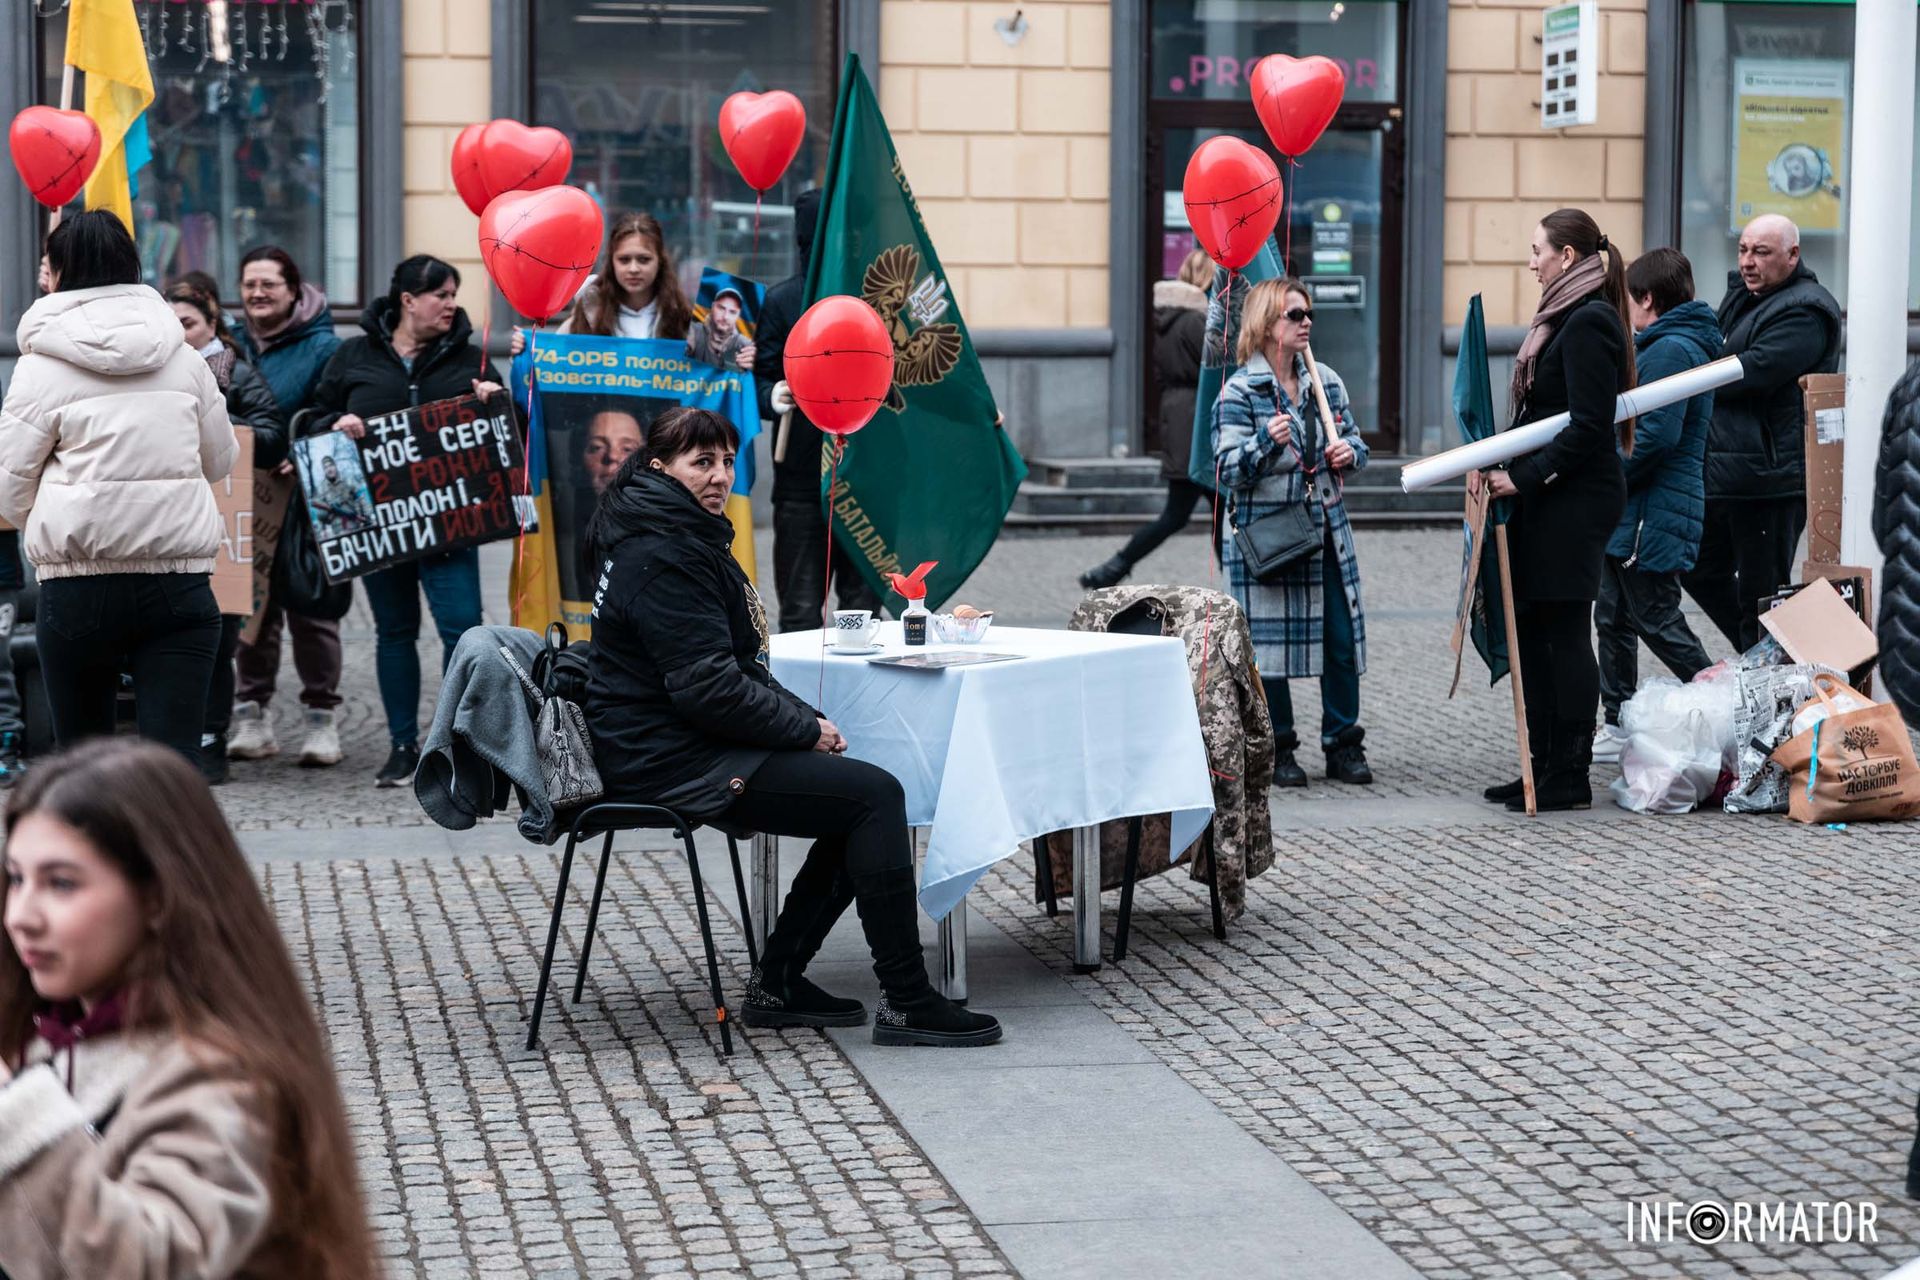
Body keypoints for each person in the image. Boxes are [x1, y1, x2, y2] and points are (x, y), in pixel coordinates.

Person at [584, 407, 1001, 1047]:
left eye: (728, 462)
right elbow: (707, 687)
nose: (720, 476)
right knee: (874, 798)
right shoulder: (662, 553)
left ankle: (779, 983)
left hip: (678, 739)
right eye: (702, 462)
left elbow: (738, 667)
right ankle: (906, 999)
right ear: (660, 467)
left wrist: (806, 720)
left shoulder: (678, 534)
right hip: (665, 757)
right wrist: (803, 731)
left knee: (860, 800)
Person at [0, 738, 376, 1278]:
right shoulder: (47, 1042)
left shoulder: (223, 1077)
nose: (21, 915)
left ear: (158, 897)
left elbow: (158, 1264)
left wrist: (16, 1113)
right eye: (16, 878)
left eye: (61, 883)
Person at [0, 210, 235, 769]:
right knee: (174, 770)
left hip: (78, 582)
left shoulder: (39, 368)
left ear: (60, 271)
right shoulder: (184, 357)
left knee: (83, 768)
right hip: (178, 580)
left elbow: (9, 486)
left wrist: (62, 514)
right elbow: (221, 460)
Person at [309, 255, 503, 788]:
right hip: (382, 526)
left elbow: (510, 435)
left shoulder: (471, 359)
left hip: (452, 525)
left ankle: (462, 745)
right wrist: (337, 422)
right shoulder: (354, 356)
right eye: (441, 294)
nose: (451, 304)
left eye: (454, 294)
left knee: (463, 632)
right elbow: (314, 418)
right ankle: (402, 746)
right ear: (408, 300)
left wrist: (496, 403)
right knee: (394, 633)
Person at [1475, 209, 1634, 812]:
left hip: (1574, 500)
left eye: (1537, 250)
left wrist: (1522, 477)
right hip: (1552, 497)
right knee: (1537, 631)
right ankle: (1539, 765)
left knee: (1563, 632)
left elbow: (1590, 425)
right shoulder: (1565, 316)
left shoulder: (1589, 320)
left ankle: (1569, 773)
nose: (1531, 262)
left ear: (1567, 257)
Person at [1213, 277, 1372, 789]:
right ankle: (1279, 747)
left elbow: (1356, 443)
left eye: (1309, 315)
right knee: (1270, 646)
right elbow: (1227, 468)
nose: (1306, 324)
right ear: (1266, 324)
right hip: (1270, 534)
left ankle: (1343, 743)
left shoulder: (1325, 381)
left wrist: (1349, 453)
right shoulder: (1240, 391)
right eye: (1295, 315)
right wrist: (1264, 441)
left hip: (1324, 529)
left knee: (1340, 640)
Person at [1682, 214, 1841, 652]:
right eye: (1743, 250)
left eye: (1761, 252)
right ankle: (1764, 655)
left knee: (1762, 590)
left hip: (1771, 478)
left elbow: (1755, 371)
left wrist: (1692, 377)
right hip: (1730, 469)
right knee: (1696, 564)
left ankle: (1772, 666)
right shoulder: (1746, 297)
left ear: (1792, 255)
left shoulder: (1807, 309)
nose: (1747, 261)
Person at [1591, 249, 1720, 762]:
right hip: (1639, 509)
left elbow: (1655, 437)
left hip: (1652, 510)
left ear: (1646, 299)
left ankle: (1728, 707)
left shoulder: (1670, 350)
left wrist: (1605, 478)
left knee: (1656, 618)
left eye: (1627, 298)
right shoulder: (1666, 343)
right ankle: (1618, 722)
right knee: (1614, 617)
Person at [166, 280, 291, 785]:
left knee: (216, 644)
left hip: (227, 532)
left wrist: (218, 420)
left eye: (188, 324)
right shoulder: (156, 371)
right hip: (173, 526)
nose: (179, 334)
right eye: (170, 325)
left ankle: (211, 741)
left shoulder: (236, 371)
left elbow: (273, 432)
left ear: (212, 325)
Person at [229, 245, 347, 768]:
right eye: (249, 284)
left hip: (307, 498)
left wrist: (301, 454)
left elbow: (335, 413)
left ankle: (322, 717)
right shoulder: (229, 343)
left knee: (312, 608)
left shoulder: (325, 348)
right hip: (246, 493)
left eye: (268, 284)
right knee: (249, 606)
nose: (257, 294)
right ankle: (251, 714)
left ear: (293, 291)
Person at [757, 189, 883, 632]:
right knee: (799, 611)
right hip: (801, 480)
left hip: (866, 481)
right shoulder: (782, 301)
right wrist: (772, 395)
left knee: (863, 613)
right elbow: (758, 376)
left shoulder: (876, 302)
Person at [1081, 248, 1216, 590]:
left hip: (1178, 419)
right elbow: (1216, 369)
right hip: (1197, 423)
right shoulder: (1196, 322)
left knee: (1193, 514)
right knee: (1210, 513)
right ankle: (1114, 567)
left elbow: (1161, 374)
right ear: (1208, 280)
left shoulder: (1169, 320)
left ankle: (1114, 567)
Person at [510, 211, 694, 354]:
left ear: (660, 261)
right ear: (611, 262)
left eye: (644, 259)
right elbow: (555, 365)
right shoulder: (589, 312)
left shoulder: (682, 317)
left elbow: (701, 377)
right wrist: (527, 350)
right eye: (624, 260)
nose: (633, 268)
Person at [685, 287, 755, 371]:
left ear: (738, 315)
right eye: (721, 308)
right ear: (712, 306)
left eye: (732, 312)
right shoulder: (694, 331)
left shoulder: (744, 344)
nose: (725, 317)